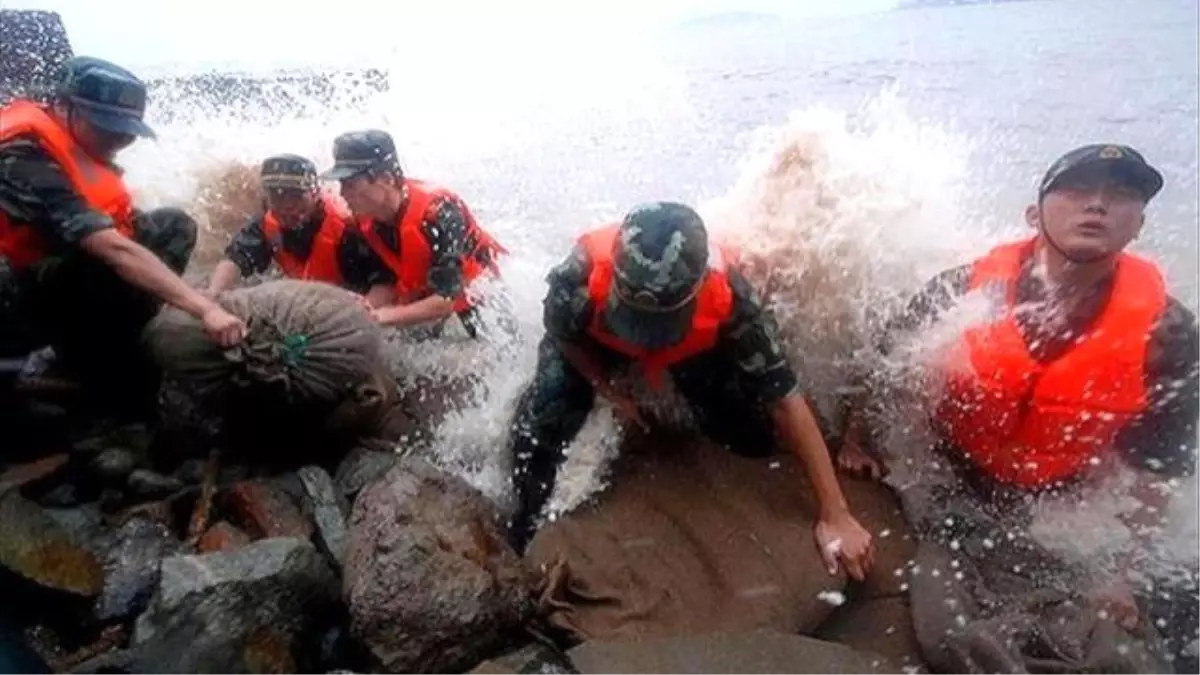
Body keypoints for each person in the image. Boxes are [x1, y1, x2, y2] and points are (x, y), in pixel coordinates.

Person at [838, 144, 1197, 673]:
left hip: (1064, 489)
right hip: (957, 470)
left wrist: (1121, 572)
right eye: (1076, 190)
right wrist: (856, 441)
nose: (1096, 205)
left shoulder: (1168, 335)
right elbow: (890, 369)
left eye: (1120, 195)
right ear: (1034, 215)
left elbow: (1156, 470)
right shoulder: (962, 293)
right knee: (949, 629)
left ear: (1139, 224)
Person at [506, 201, 876, 580]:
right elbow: (565, 335)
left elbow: (783, 398)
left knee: (754, 439)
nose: (647, 336)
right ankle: (521, 522)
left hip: (692, 348)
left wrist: (836, 515)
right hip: (602, 343)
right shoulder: (577, 276)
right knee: (545, 413)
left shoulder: (734, 300)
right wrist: (609, 389)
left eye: (656, 324)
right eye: (639, 321)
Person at [0, 56, 246, 418]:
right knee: (105, 269)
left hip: (65, 263)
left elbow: (123, 229)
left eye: (127, 131)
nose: (119, 139)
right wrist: (203, 308)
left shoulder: (73, 141)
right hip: (19, 294)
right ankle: (102, 375)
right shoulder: (23, 156)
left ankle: (129, 341)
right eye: (107, 127)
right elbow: (111, 248)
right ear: (64, 107)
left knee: (173, 226)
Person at [320, 130, 512, 339]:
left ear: (386, 179)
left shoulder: (439, 213)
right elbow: (387, 281)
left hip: (483, 299)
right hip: (426, 299)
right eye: (341, 184)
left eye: (351, 184)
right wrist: (361, 309)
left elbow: (446, 299)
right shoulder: (364, 221)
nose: (342, 193)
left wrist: (381, 317)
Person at [206, 154, 389, 295]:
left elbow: (384, 282)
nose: (286, 206)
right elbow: (237, 258)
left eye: (295, 196)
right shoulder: (266, 225)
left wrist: (363, 311)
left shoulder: (348, 230)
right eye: (277, 196)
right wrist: (214, 295)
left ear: (315, 193)